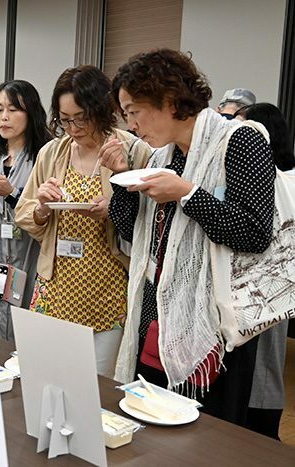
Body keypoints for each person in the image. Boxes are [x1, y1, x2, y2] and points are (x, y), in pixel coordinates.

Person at [102, 49, 274, 426]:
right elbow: (137, 237)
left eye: (133, 110)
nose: (130, 125)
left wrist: (187, 194)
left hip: (213, 324)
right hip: (157, 310)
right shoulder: (161, 157)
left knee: (204, 433)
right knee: (149, 419)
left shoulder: (240, 141)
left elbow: (256, 233)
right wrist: (121, 181)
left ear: (167, 99)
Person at [15, 66, 152, 376]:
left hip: (107, 286)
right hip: (57, 284)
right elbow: (24, 213)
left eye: (81, 118)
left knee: (97, 388)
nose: (73, 128)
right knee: (49, 376)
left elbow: (150, 224)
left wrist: (114, 207)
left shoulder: (132, 150)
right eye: (64, 120)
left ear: (101, 110)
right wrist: (43, 208)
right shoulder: (53, 152)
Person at [0, 80, 51, 340]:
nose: (4, 117)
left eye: (13, 110)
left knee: (25, 328)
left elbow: (46, 214)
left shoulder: (43, 156)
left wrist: (12, 194)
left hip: (29, 255)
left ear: (31, 113)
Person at [234, 102, 293, 439]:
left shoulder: (285, 182)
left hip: (273, 286)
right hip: (248, 285)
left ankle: (263, 435)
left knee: (264, 363)